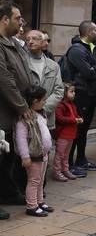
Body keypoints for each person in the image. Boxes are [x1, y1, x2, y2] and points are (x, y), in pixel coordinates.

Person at [0, 2, 34, 217]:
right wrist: (23, 107)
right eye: (17, 18)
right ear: (4, 19)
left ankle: (8, 193)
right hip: (4, 111)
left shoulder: (13, 42)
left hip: (14, 111)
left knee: (9, 156)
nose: (21, 22)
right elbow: (5, 80)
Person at [64, 21, 96, 174]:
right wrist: (94, 70)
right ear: (88, 32)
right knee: (76, 129)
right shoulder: (77, 50)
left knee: (84, 130)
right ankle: (68, 163)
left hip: (90, 94)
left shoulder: (91, 48)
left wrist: (94, 69)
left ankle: (81, 159)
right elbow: (90, 73)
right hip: (80, 95)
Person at [14, 86, 54, 217]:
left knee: (41, 179)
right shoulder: (24, 119)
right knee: (34, 180)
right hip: (34, 156)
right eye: (43, 100)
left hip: (43, 154)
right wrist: (25, 157)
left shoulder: (40, 114)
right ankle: (31, 205)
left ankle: (39, 202)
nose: (45, 102)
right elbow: (21, 140)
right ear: (35, 101)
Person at [26, 30, 63, 131]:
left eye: (34, 39)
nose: (30, 41)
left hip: (46, 117)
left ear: (43, 42)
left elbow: (59, 90)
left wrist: (43, 108)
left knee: (46, 145)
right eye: (28, 39)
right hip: (26, 116)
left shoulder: (53, 66)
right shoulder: (21, 62)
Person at [53, 83, 82, 181]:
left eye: (74, 91)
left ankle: (65, 169)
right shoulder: (60, 105)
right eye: (71, 91)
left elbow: (75, 115)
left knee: (66, 154)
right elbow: (60, 118)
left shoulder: (72, 104)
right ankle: (57, 172)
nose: (74, 94)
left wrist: (78, 118)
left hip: (71, 134)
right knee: (60, 154)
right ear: (64, 93)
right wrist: (74, 120)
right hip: (63, 134)